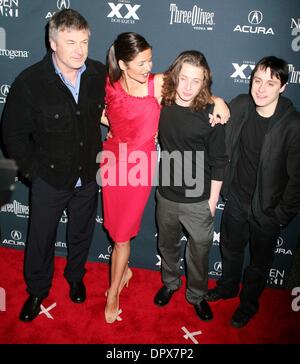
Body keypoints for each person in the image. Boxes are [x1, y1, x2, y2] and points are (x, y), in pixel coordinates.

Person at [100, 32, 230, 323]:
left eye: (151, 60)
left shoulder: (158, 85)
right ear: (123, 63)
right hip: (121, 165)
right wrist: (119, 128)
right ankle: (162, 282)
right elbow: (104, 112)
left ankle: (189, 295)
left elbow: (194, 88)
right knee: (156, 240)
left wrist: (221, 103)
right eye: (143, 62)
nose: (150, 66)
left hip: (152, 172)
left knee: (189, 249)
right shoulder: (111, 83)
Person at [1, 9, 106, 322]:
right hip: (48, 177)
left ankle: (75, 277)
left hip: (88, 175)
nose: (79, 50)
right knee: (40, 238)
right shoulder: (31, 82)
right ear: (53, 43)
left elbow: (139, 82)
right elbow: (12, 134)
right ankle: (37, 290)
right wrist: (33, 173)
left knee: (81, 233)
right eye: (70, 42)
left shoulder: (98, 73)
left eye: (84, 41)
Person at [206, 56, 300, 328]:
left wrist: (280, 214)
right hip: (236, 200)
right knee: (230, 250)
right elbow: (206, 101)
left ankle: (248, 304)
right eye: (257, 81)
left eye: (270, 83)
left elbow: (297, 179)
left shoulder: (293, 125)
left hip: (267, 211)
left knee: (259, 264)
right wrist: (218, 101)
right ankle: (227, 288)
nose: (261, 89)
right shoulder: (242, 105)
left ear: (282, 87)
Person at [153, 51, 227, 322]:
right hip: (167, 194)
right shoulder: (162, 103)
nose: (187, 87)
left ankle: (196, 295)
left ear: (204, 82)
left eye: (195, 81)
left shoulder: (212, 113)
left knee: (199, 252)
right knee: (168, 245)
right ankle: (170, 283)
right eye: (183, 78)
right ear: (175, 76)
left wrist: (212, 200)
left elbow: (220, 160)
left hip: (199, 198)